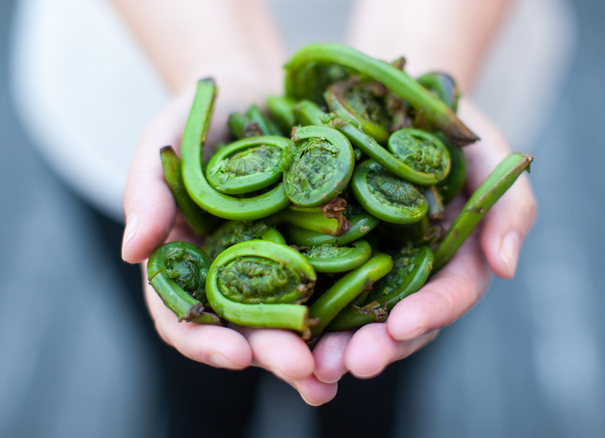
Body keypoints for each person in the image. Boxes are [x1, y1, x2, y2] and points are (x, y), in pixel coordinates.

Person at [115, 0, 537, 407]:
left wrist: (430, 53)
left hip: (459, 28)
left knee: (372, 394)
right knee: (198, 394)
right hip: (161, 39)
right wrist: (215, 67)